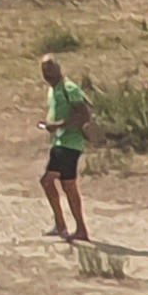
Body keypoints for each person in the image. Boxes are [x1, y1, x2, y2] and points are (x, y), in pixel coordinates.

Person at [38, 55, 91, 242]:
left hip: (70, 143)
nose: (48, 74)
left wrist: (59, 125)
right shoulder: (53, 90)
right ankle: (62, 225)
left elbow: (83, 115)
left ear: (59, 68)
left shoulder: (69, 88)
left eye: (50, 69)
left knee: (62, 184)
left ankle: (78, 228)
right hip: (59, 142)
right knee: (57, 183)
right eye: (45, 71)